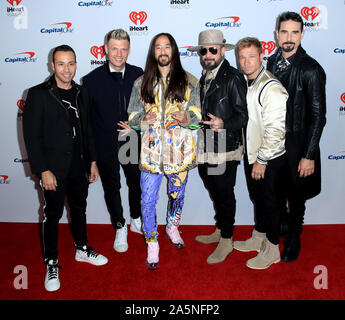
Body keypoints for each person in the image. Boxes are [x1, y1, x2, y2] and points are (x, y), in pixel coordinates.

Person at [22, 45, 108, 292]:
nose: (66, 69)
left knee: (79, 210)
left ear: (76, 64)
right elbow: (31, 137)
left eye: (71, 63)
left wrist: (92, 161)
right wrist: (43, 170)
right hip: (53, 170)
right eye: (61, 64)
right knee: (52, 215)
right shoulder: (38, 94)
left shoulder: (82, 93)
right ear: (52, 66)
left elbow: (88, 130)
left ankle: (82, 248)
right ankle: (51, 261)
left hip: (79, 166)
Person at [128, 33, 201, 269]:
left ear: (174, 50)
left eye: (166, 46)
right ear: (153, 52)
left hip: (179, 154)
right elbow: (131, 117)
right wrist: (142, 119)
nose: (162, 51)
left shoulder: (190, 81)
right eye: (157, 47)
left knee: (176, 195)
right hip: (151, 155)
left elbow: (198, 119)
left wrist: (187, 118)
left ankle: (172, 226)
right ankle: (151, 241)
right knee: (147, 200)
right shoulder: (141, 83)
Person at [267, 11, 326, 262]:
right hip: (275, 141)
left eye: (294, 32)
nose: (289, 37)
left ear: (302, 34)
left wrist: (308, 155)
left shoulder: (311, 69)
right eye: (284, 32)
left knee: (297, 194)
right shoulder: (270, 62)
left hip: (299, 143)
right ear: (276, 34)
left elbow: (318, 115)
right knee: (277, 189)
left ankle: (294, 237)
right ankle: (281, 224)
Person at [187, 30, 248, 264]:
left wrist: (223, 123)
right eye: (204, 50)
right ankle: (220, 229)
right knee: (214, 190)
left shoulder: (232, 77)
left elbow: (243, 116)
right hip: (204, 146)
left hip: (224, 146)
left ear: (223, 50)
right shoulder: (204, 77)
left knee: (224, 193)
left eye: (213, 49)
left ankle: (227, 239)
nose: (208, 54)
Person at [83, 29, 144, 253]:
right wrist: (92, 157)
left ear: (129, 50)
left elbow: (150, 110)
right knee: (112, 187)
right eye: (114, 48)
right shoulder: (90, 80)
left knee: (135, 183)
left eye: (124, 49)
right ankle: (120, 226)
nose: (119, 54)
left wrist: (136, 125)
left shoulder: (139, 74)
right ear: (106, 49)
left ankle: (136, 218)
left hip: (131, 141)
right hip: (105, 144)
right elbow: (87, 121)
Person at [233, 37, 288, 269]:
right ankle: (259, 236)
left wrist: (262, 160)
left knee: (271, 203)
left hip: (269, 159)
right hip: (252, 153)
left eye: (251, 56)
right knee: (259, 200)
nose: (246, 62)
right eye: (242, 57)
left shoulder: (271, 87)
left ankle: (273, 248)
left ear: (261, 56)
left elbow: (277, 131)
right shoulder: (249, 82)